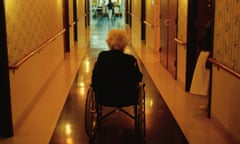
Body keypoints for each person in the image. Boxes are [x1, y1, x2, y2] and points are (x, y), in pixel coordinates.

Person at [91, 29, 143, 106]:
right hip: (127, 98)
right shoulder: (130, 59)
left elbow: (95, 76)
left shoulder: (102, 57)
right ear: (125, 43)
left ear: (109, 42)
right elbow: (139, 77)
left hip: (104, 98)